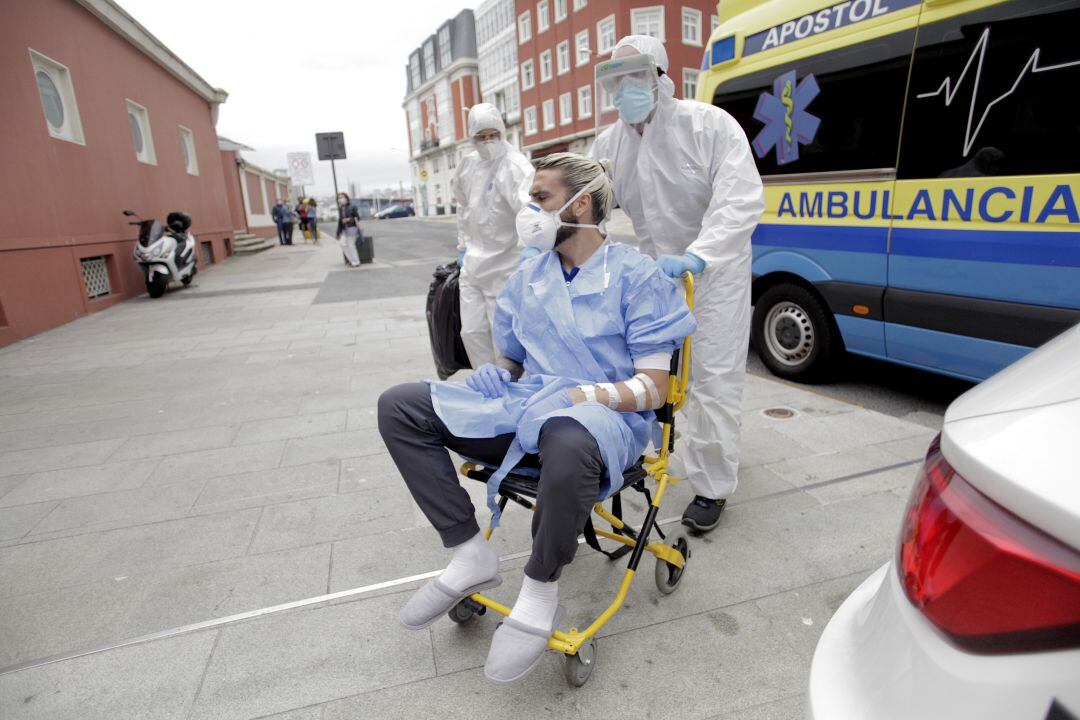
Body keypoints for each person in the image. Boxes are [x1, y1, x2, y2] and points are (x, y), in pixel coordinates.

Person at [378, 152, 695, 683]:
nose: (529, 212)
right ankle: (467, 552)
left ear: (582, 203)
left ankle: (541, 588)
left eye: (540, 199)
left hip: (603, 422)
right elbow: (514, 355)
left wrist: (582, 397)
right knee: (401, 405)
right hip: (529, 404)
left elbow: (652, 388)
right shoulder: (531, 275)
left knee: (567, 435)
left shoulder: (636, 277)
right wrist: (497, 372)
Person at [590, 35, 764, 533]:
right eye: (615, 80)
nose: (625, 90)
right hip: (654, 278)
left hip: (715, 274)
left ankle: (711, 487)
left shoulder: (708, 125)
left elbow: (740, 199)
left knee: (711, 378)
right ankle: (637, 458)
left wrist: (699, 255)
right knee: (642, 374)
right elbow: (587, 200)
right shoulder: (610, 144)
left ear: (662, 78)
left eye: (635, 77)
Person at [452, 103, 535, 368]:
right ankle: (484, 384)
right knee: (472, 332)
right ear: (471, 138)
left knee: (503, 338)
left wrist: (531, 250)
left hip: (506, 266)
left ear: (502, 131)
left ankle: (508, 388)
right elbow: (463, 208)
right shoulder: (467, 164)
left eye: (492, 134)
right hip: (473, 267)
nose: (487, 141)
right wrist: (463, 246)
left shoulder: (515, 166)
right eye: (481, 136)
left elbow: (530, 212)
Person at [336, 192, 362, 267]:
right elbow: (340, 221)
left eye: (342, 197)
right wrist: (338, 233)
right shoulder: (341, 208)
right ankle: (352, 260)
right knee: (342, 244)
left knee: (351, 245)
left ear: (346, 198)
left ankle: (356, 261)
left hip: (352, 228)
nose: (341, 199)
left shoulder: (352, 206)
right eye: (339, 198)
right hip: (344, 229)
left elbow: (358, 218)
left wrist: (348, 219)